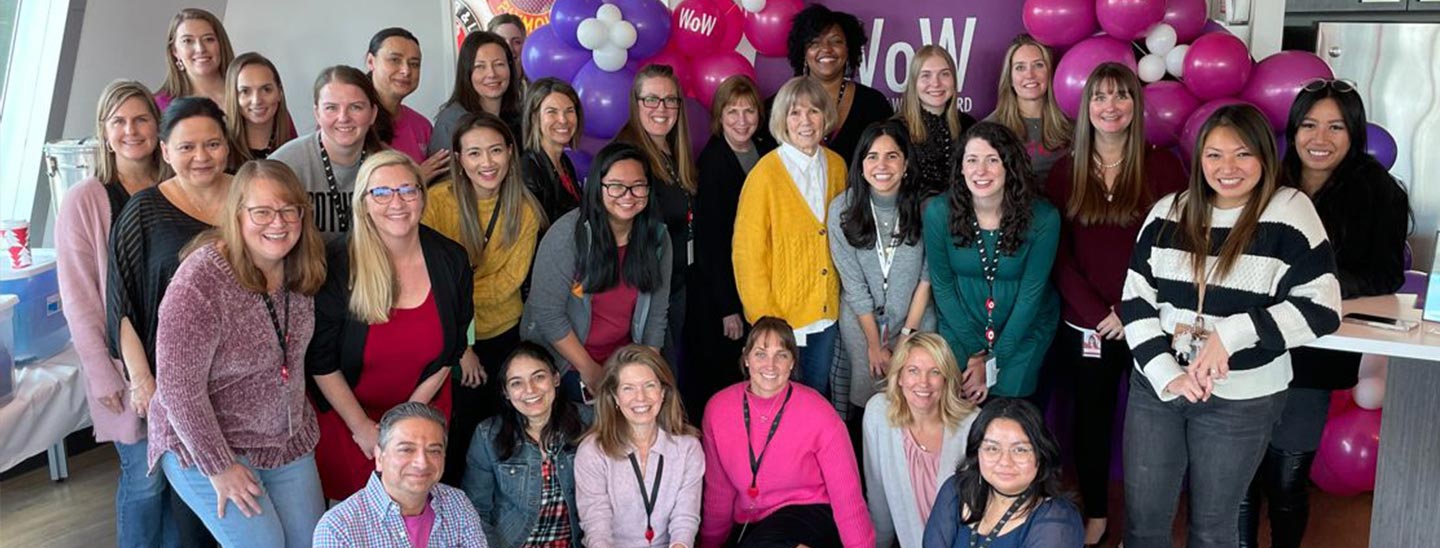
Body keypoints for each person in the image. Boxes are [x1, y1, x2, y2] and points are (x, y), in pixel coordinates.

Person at [1119, 104, 1342, 548]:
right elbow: (1135, 300)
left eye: (1242, 154)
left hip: (1242, 396)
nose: (1227, 168)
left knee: (1214, 529)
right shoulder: (1169, 211)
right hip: (1159, 389)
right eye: (1214, 155)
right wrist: (1169, 374)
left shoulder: (1289, 211)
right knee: (1144, 525)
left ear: (1264, 155)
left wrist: (1231, 334)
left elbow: (1322, 307)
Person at [1237, 80, 1412, 548]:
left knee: (1288, 475)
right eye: (1310, 124)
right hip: (1251, 344)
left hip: (1314, 352)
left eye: (1335, 127)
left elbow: (1386, 273)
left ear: (1354, 133)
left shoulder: (1380, 193)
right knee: (1241, 475)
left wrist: (1316, 289)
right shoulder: (1263, 179)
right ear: (1293, 131)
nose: (1320, 138)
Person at [1041, 62, 1186, 546]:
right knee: (1092, 422)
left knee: (1155, 430)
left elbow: (1176, 247)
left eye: (1121, 96)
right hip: (1087, 326)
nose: (1110, 106)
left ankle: (1145, 527)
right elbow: (1056, 254)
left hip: (1150, 320)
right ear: (1087, 108)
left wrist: (1130, 312)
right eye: (1100, 97)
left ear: (1135, 104)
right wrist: (1098, 315)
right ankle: (1098, 514)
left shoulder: (1163, 166)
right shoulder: (1066, 169)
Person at [150, 160, 327, 546]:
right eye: (262, 211)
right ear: (237, 215)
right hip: (205, 441)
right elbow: (179, 390)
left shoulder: (300, 268)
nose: (277, 223)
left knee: (315, 542)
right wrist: (220, 466)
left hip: (284, 437)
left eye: (288, 210)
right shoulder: (200, 282)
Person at [307, 151, 475, 501]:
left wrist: (408, 420)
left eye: (407, 190)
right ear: (363, 202)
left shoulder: (451, 259)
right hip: (351, 419)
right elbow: (321, 361)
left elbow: (454, 346)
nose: (396, 202)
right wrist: (363, 430)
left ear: (422, 196)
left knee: (417, 511)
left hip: (422, 409)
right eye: (381, 193)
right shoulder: (338, 265)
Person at [55, 80, 171, 546]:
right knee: (145, 481)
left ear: (157, 125)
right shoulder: (85, 200)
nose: (131, 130)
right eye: (118, 121)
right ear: (103, 131)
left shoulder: (175, 185)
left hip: (178, 353)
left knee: (182, 485)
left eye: (141, 118)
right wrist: (102, 371)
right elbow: (78, 295)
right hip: (124, 364)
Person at [422, 112, 545, 485]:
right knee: (456, 434)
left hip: (504, 335)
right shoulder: (437, 202)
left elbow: (510, 281)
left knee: (505, 432)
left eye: (495, 150)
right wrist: (463, 344)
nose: (486, 163)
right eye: (474, 153)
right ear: (459, 158)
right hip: (448, 337)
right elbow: (432, 280)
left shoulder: (524, 211)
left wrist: (464, 293)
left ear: (511, 152)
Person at [108, 97, 234, 431]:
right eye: (187, 147)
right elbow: (123, 305)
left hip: (246, 376)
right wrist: (141, 380)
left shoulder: (251, 197)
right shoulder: (142, 211)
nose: (201, 157)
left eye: (212, 144)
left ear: (227, 146)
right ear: (165, 152)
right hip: (174, 380)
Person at [699, 317, 875, 547]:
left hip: (809, 513)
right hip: (751, 524)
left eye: (781, 355)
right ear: (746, 358)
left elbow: (847, 497)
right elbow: (718, 492)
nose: (770, 365)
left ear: (792, 362)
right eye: (761, 354)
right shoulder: (718, 409)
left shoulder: (819, 412)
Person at [519, 142, 672, 404]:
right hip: (566, 363)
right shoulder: (568, 235)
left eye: (638, 186)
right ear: (597, 187)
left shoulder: (657, 238)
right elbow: (547, 313)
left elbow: (657, 315)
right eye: (615, 186)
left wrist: (646, 375)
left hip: (623, 360)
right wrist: (590, 371)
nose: (627, 195)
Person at [924, 122, 1060, 403]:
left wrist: (994, 361)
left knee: (1010, 415)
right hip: (962, 330)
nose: (980, 171)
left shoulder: (1044, 218)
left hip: (1022, 333)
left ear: (1009, 166)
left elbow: (1030, 297)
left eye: (992, 160)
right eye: (971, 160)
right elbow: (943, 287)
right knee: (962, 415)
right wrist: (976, 353)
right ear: (960, 168)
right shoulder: (938, 212)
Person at [733, 76, 847, 398]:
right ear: (782, 119)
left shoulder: (837, 166)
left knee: (816, 398)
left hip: (826, 314)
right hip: (782, 319)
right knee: (781, 400)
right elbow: (747, 253)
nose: (806, 122)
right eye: (795, 113)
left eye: (814, 111)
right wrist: (766, 321)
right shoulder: (765, 175)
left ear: (826, 116)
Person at [684, 75, 775, 420]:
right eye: (732, 111)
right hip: (723, 298)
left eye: (748, 111)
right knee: (727, 378)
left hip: (759, 284)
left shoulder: (765, 149)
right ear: (719, 116)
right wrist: (728, 308)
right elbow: (710, 243)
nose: (741, 120)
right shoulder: (713, 162)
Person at [830, 120, 933, 417]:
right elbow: (853, 285)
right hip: (863, 326)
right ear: (861, 164)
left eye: (892, 156)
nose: (881, 165)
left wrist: (906, 337)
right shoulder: (842, 210)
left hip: (917, 321)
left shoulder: (927, 208)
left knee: (916, 404)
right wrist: (875, 344)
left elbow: (926, 279)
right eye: (872, 156)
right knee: (870, 406)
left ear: (905, 164)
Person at [574, 345, 704, 548]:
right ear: (615, 397)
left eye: (649, 385)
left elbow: (685, 517)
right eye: (628, 388)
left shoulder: (688, 448)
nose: (640, 397)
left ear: (663, 392)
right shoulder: (592, 451)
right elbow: (596, 524)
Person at [465, 342, 593, 547]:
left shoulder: (589, 423)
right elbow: (475, 512)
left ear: (556, 378)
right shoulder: (488, 435)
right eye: (516, 383)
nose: (530, 389)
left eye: (539, 377)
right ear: (506, 392)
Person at [615, 64, 698, 372]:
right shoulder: (627, 157)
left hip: (674, 284)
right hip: (646, 293)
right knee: (655, 378)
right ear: (636, 104)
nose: (661, 109)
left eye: (670, 100)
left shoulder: (671, 151)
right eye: (651, 99)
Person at [313, 402, 488, 548]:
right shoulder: (338, 527)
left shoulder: (457, 503)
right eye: (406, 449)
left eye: (433, 450)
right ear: (380, 457)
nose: (422, 462)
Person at [863, 333, 979, 548]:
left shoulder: (972, 424)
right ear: (899, 377)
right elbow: (877, 494)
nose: (923, 383)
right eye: (913, 371)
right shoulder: (878, 413)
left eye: (934, 372)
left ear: (947, 378)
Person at [922, 398, 1083, 547]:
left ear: (1040, 455)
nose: (1005, 461)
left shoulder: (1057, 520)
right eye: (992, 448)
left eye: (1020, 450)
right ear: (977, 452)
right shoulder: (956, 490)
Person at [270, 65, 387, 237]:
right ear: (317, 113)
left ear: (373, 114)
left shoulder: (389, 165)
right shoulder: (284, 165)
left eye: (356, 107)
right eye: (331, 108)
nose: (344, 118)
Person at [779, 4, 893, 162]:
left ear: (848, 50)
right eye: (815, 43)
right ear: (803, 52)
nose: (826, 49)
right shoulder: (780, 105)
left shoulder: (874, 105)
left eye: (836, 42)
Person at [985, 35, 1072, 181]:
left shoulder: (1071, 125)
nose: (1030, 75)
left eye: (1038, 65)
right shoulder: (989, 130)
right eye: (1020, 67)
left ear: (1050, 73)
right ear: (1010, 79)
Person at [365, 27, 448, 180]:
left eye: (414, 64)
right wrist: (415, 178)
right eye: (394, 60)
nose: (406, 70)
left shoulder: (422, 126)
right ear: (371, 61)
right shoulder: (352, 121)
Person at [896, 45, 977, 197]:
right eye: (926, 75)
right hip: (912, 217)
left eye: (944, 74)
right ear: (914, 83)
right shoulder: (896, 130)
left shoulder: (969, 126)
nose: (936, 83)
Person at [429, 31, 523, 157]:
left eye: (499, 64)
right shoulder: (452, 122)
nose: (492, 74)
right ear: (467, 72)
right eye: (480, 66)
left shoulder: (517, 118)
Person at [519, 77, 584, 231]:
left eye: (569, 111)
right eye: (552, 112)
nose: (563, 120)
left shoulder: (565, 162)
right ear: (534, 118)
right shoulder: (528, 170)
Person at [223, 52, 296, 165]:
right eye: (245, 91)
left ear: (279, 92)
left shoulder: (294, 143)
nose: (257, 100)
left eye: (266, 89)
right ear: (233, 97)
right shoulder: (221, 146)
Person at [155, 8, 235, 110]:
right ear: (174, 51)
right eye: (188, 41)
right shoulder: (159, 106)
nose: (200, 49)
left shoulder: (247, 95)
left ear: (221, 44)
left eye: (208, 39)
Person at [488, 14, 527, 84]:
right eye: (501, 42)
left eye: (516, 42)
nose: (509, 48)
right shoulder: (481, 86)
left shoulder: (537, 86)